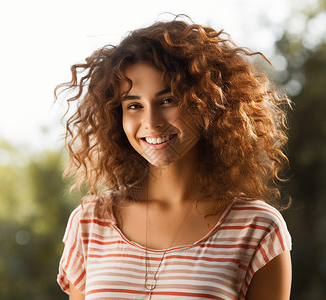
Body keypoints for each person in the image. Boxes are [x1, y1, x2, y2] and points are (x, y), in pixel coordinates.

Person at [56, 17, 292, 300]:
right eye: (134, 105)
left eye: (168, 100)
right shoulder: (89, 223)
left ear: (207, 103)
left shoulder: (257, 229)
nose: (151, 122)